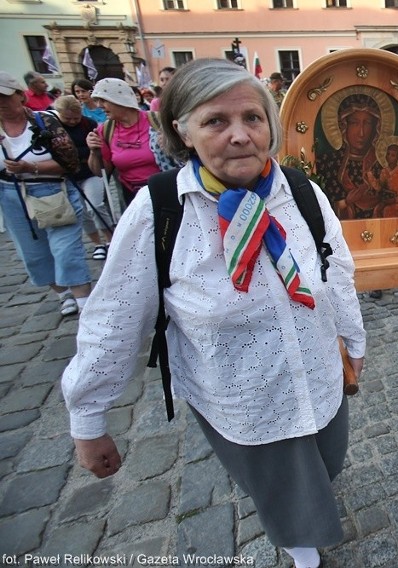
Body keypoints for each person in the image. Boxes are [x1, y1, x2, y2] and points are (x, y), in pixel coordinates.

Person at [61, 58, 365, 568]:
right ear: (183, 132)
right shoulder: (160, 211)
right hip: (245, 396)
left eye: (252, 118)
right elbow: (112, 317)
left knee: (325, 464)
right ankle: (301, 548)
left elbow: (337, 272)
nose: (240, 136)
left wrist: (353, 344)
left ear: (270, 123)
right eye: (216, 122)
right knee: (284, 490)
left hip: (318, 378)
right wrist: (88, 417)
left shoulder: (301, 192)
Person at [0, 71, 91, 316]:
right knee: (33, 253)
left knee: (65, 250)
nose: (1, 103)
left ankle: (85, 303)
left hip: (52, 189)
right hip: (10, 194)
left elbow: (71, 163)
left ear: (20, 95)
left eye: (4, 97)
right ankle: (64, 295)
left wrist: (32, 168)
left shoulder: (45, 121)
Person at [53, 95, 113, 259]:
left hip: (89, 171)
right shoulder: (53, 126)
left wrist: (79, 153)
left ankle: (110, 239)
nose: (72, 121)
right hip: (70, 175)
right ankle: (97, 243)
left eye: (76, 118)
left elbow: (97, 147)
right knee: (82, 211)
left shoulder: (88, 123)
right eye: (68, 118)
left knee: (95, 205)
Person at [85, 78, 161, 205]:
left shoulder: (157, 120)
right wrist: (93, 151)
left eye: (103, 100)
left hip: (166, 190)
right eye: (98, 101)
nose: (99, 105)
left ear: (119, 99)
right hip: (133, 196)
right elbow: (100, 172)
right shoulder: (105, 130)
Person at [315, 93, 385, 219]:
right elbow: (319, 207)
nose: (361, 133)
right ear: (343, 126)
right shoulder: (328, 163)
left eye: (368, 123)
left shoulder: (381, 163)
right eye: (354, 123)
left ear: (376, 127)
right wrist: (345, 202)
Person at [368, 141, 398, 218]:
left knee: (387, 210)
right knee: (377, 209)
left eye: (393, 155)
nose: (389, 157)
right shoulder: (384, 171)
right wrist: (370, 175)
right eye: (388, 154)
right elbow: (380, 188)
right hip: (387, 201)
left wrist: (395, 200)